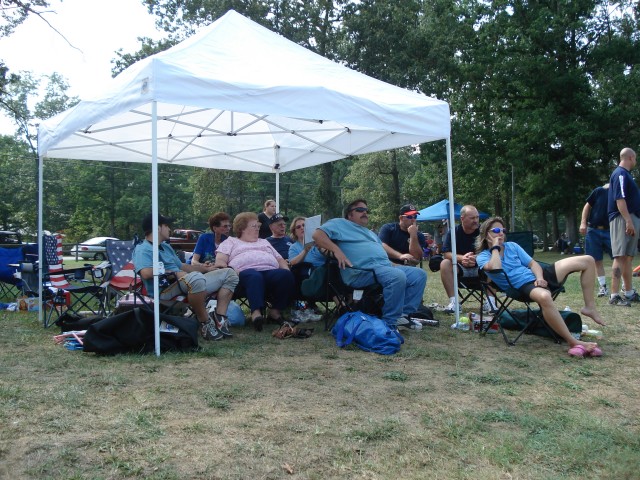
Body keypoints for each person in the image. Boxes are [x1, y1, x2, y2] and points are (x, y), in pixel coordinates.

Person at [476, 216, 605, 357]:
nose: (501, 233)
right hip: (520, 286)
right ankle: (572, 341)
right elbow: (495, 267)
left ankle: (589, 307)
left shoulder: (512, 246)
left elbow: (533, 264)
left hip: (538, 277)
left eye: (503, 230)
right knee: (545, 296)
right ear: (486, 234)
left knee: (587, 260)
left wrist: (540, 278)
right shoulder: (482, 257)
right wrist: (495, 247)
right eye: (496, 230)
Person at [312, 199, 427, 330]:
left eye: (366, 211)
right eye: (360, 210)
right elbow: (317, 235)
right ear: (350, 214)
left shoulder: (370, 233)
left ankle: (403, 315)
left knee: (419, 275)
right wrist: (337, 251)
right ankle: (390, 321)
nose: (365, 213)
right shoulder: (340, 223)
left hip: (383, 268)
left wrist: (395, 265)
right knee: (396, 276)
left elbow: (380, 256)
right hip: (361, 272)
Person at [132, 213, 239, 341]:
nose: (169, 229)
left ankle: (220, 318)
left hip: (187, 282)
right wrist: (175, 273)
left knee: (229, 273)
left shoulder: (165, 246)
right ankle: (205, 322)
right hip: (165, 290)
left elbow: (183, 266)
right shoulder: (143, 249)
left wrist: (205, 268)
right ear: (158, 228)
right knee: (196, 279)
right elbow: (146, 272)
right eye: (166, 225)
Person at [214, 212, 295, 331]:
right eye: (254, 226)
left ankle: (275, 311)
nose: (258, 228)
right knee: (254, 276)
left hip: (269, 271)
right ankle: (256, 313)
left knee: (285, 275)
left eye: (258, 226)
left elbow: (279, 259)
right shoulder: (231, 242)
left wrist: (286, 269)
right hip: (242, 275)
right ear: (242, 228)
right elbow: (220, 261)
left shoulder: (264, 242)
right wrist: (232, 271)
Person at [440, 205, 497, 314]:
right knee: (444, 263)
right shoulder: (453, 232)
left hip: (482, 268)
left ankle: (490, 302)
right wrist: (462, 258)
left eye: (477, 217)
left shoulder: (484, 232)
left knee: (494, 262)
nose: (476, 221)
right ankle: (454, 302)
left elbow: (493, 250)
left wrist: (477, 258)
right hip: (460, 268)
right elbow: (446, 253)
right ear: (462, 218)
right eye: (472, 218)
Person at [607, 147, 640, 306]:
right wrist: (628, 220)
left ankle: (628, 292)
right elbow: (620, 199)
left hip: (630, 218)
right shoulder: (620, 174)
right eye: (635, 158)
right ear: (631, 157)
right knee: (620, 256)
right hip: (622, 219)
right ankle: (614, 296)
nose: (636, 161)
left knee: (628, 257)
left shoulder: (626, 175)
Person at [579, 183, 612, 297]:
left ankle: (624, 286)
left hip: (610, 231)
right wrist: (583, 223)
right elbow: (587, 206)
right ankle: (603, 287)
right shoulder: (599, 191)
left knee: (619, 258)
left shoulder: (619, 194)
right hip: (593, 230)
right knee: (596, 260)